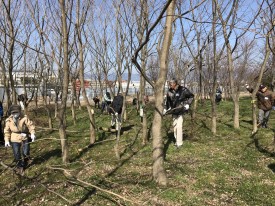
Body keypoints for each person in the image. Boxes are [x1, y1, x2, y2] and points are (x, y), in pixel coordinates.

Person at [4, 105, 36, 175]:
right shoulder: (8, 120)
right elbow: (7, 131)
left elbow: (30, 125)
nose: (15, 114)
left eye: (16, 112)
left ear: (19, 112)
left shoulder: (24, 118)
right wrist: (6, 140)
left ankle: (26, 160)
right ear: (11, 113)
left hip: (24, 136)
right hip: (14, 138)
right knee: (16, 153)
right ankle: (19, 166)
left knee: (26, 151)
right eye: (13, 113)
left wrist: (32, 133)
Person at [163, 78, 194, 148]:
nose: (170, 85)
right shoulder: (169, 91)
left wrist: (187, 104)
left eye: (171, 84)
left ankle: (179, 143)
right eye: (169, 84)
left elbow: (191, 96)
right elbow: (168, 101)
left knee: (179, 127)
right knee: (175, 127)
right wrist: (165, 109)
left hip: (181, 110)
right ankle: (177, 140)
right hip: (174, 111)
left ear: (175, 83)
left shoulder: (183, 90)